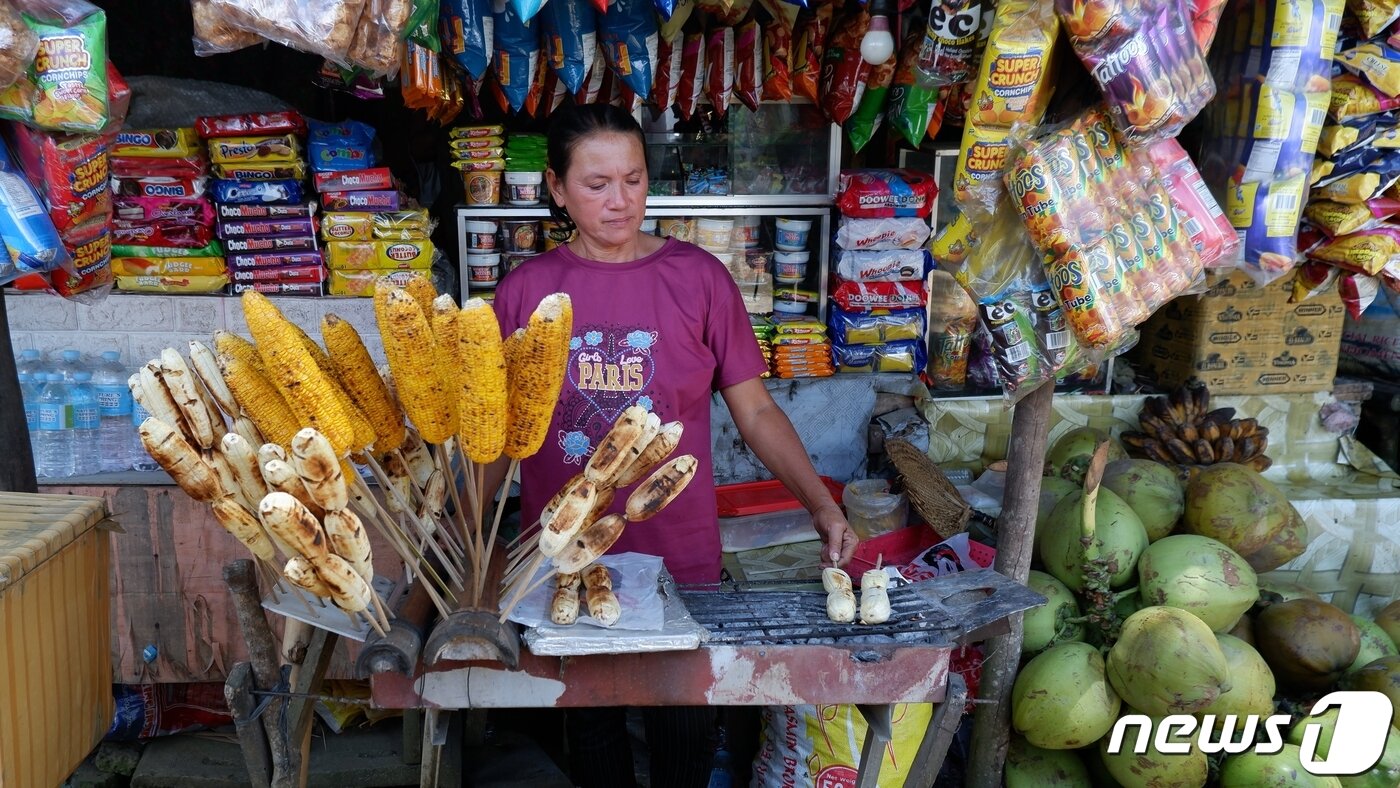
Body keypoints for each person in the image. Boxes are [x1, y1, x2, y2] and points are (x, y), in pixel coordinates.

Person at [490, 103, 858, 788]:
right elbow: (494, 437)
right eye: (596, 184)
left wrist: (820, 506)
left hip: (680, 557)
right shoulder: (524, 293)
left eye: (633, 179)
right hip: (568, 561)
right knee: (593, 729)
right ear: (556, 188)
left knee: (685, 728)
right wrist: (469, 545)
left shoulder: (700, 279)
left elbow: (754, 409)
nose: (619, 201)